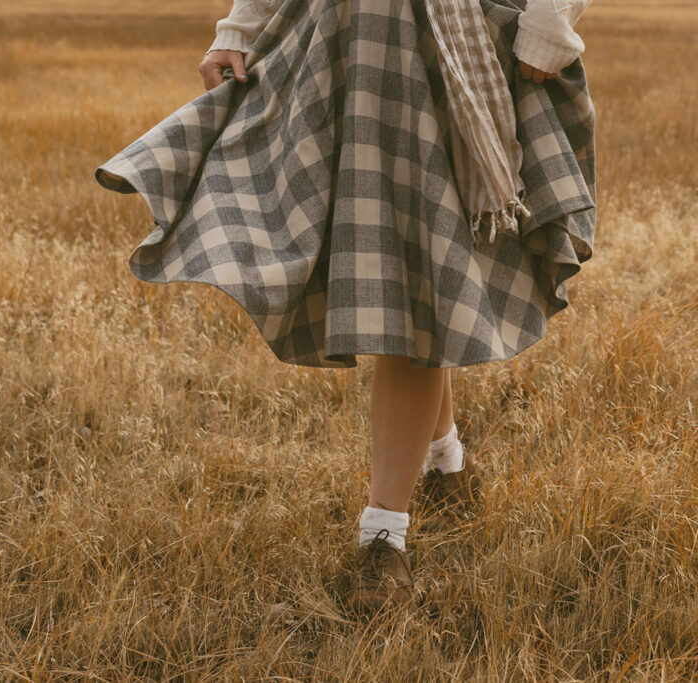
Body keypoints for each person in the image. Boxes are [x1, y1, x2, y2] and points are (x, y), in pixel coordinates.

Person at [94, 0, 596, 615]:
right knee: (405, 275)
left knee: (413, 281)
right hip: (338, 38)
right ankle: (446, 463)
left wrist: (550, 21)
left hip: (450, 44)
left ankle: (384, 535)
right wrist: (238, 29)